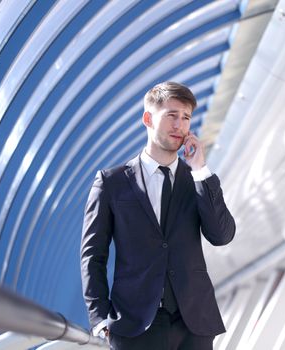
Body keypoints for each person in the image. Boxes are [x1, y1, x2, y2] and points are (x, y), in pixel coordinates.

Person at [80, 81, 235, 350]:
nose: (180, 125)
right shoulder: (111, 182)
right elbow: (93, 256)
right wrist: (99, 318)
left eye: (186, 117)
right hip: (134, 325)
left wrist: (200, 169)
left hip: (193, 324)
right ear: (148, 119)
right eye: (171, 115)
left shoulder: (197, 180)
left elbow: (221, 235)